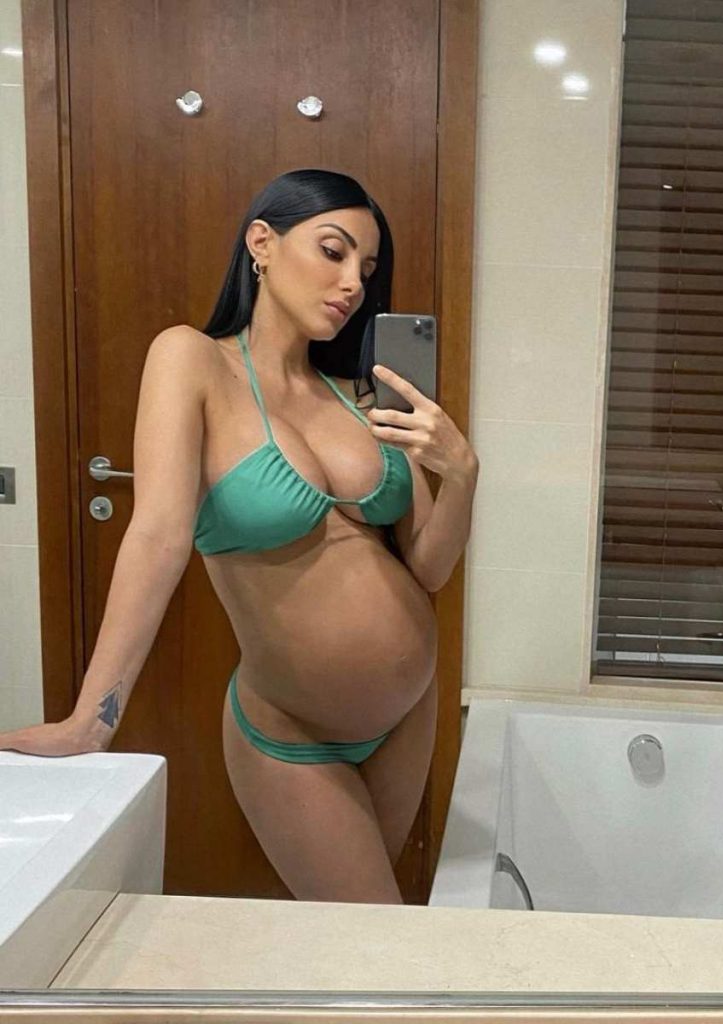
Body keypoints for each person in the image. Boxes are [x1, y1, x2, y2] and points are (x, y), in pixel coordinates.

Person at [0, 169, 478, 904]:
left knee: (362, 940)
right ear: (262, 242)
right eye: (333, 251)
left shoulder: (359, 395)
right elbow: (157, 538)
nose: (352, 283)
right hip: (294, 733)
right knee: (375, 934)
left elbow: (428, 569)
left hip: (408, 714)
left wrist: (463, 474)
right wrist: (91, 721)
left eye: (367, 267)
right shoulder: (190, 359)